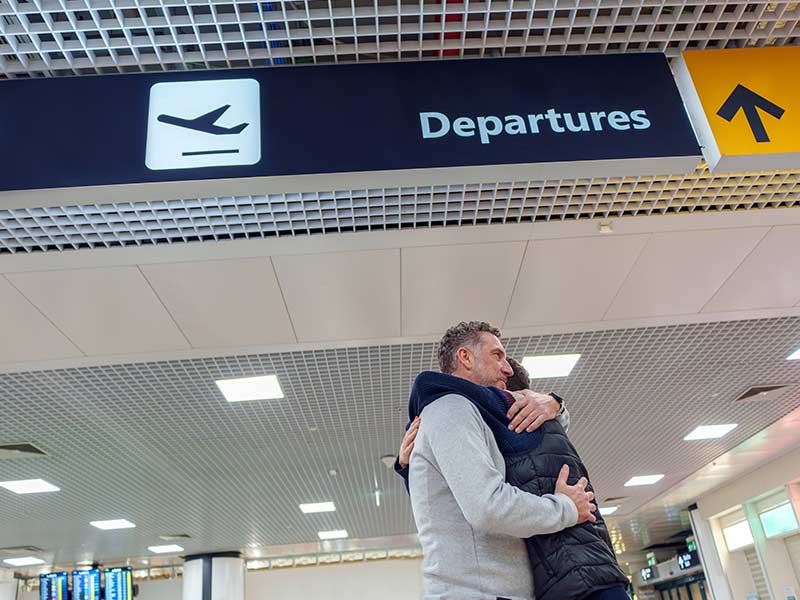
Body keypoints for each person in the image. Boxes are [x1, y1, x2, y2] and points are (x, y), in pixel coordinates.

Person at [404, 321, 600, 600]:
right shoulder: (451, 409)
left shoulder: (475, 415)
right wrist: (566, 508)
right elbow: (487, 506)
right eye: (497, 355)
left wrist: (554, 404)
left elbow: (533, 443)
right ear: (465, 357)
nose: (507, 368)